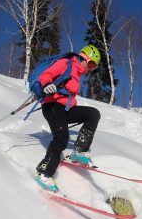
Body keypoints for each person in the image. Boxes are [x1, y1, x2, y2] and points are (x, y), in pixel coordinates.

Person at [35, 45, 101, 192]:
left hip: (65, 109)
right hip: (52, 106)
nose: (91, 68)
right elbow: (45, 75)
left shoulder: (78, 74)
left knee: (93, 114)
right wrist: (47, 85)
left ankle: (79, 151)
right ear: (84, 57)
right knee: (61, 138)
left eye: (94, 67)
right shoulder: (66, 63)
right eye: (91, 63)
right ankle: (44, 172)